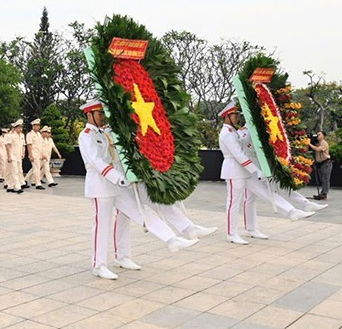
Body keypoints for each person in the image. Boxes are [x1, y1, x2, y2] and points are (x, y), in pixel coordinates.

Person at [79, 100, 197, 280]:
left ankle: (169, 240)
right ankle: (99, 265)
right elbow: (96, 161)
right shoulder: (86, 135)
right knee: (102, 226)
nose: (103, 116)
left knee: (140, 213)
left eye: (104, 112)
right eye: (100, 113)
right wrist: (118, 177)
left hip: (119, 184)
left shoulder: (108, 132)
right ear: (89, 114)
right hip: (101, 186)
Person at [217, 102, 313, 245]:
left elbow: (245, 143)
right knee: (233, 203)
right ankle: (232, 233)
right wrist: (256, 170)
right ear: (227, 116)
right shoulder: (227, 134)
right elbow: (238, 155)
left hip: (244, 170)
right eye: (234, 115)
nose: (237, 117)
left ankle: (291, 211)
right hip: (234, 171)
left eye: (237, 114)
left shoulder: (234, 131)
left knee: (265, 192)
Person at [4, 120, 25, 194]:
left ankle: (10, 186)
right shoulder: (11, 136)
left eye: (21, 128)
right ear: (15, 128)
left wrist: (23, 153)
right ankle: (17, 186)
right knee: (15, 171)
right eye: (18, 128)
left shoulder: (22, 136)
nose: (20, 129)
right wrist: (9, 156)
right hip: (12, 155)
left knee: (18, 170)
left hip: (18, 155)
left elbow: (23, 145)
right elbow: (8, 146)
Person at [309, 131, 332, 200]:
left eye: (319, 134)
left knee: (325, 179)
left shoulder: (324, 143)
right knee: (322, 179)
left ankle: (324, 194)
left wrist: (309, 144)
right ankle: (322, 193)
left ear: (323, 136)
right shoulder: (318, 143)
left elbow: (318, 149)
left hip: (326, 163)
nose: (317, 135)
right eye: (317, 134)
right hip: (320, 164)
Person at [25, 118, 44, 189]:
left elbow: (41, 145)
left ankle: (25, 180)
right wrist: (30, 155)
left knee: (34, 168)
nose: (38, 127)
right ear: (33, 126)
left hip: (39, 153)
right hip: (34, 153)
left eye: (39, 125)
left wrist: (42, 154)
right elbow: (29, 145)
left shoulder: (39, 134)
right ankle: (38, 183)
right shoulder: (30, 134)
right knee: (36, 169)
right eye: (36, 125)